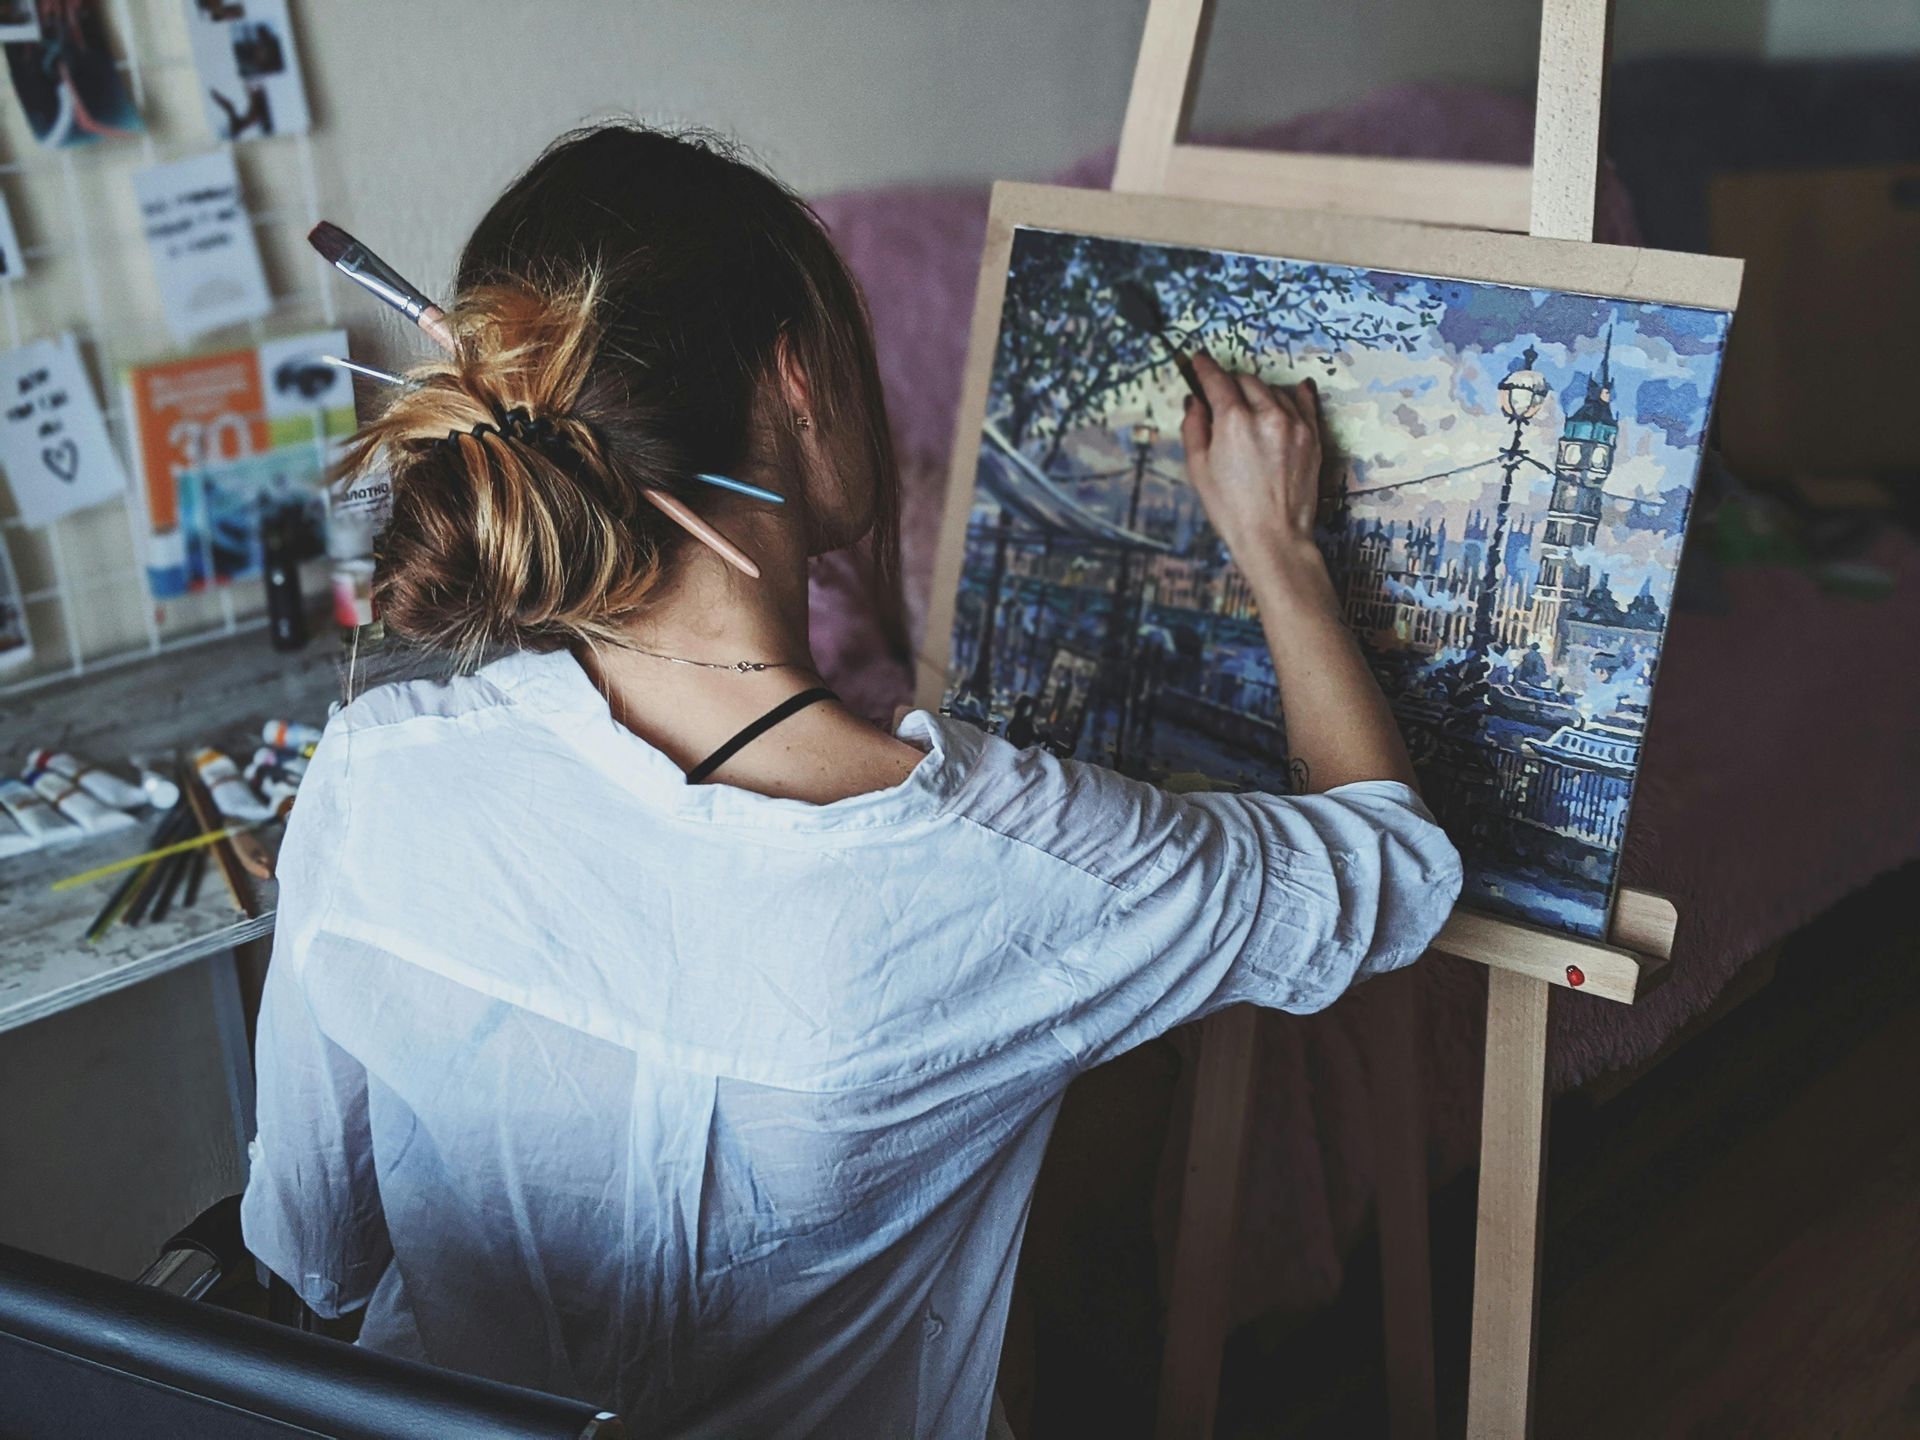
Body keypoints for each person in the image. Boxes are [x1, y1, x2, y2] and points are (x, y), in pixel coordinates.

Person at [241, 123, 1461, 1439]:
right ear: (799, 381)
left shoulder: (375, 775)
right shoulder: (997, 856)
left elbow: (314, 1248)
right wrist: (1278, 549)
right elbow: (1384, 877)